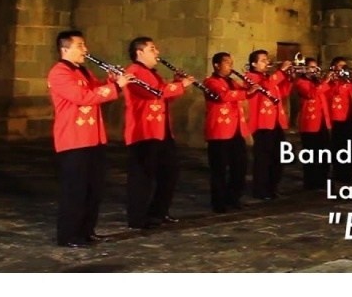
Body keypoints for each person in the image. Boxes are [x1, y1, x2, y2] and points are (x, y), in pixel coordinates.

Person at [46, 30, 130, 248]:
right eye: (80, 45)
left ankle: (87, 231)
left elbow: (96, 89)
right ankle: (68, 235)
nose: (85, 50)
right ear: (65, 49)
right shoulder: (59, 73)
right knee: (75, 189)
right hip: (74, 139)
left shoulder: (83, 70)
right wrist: (116, 86)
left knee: (94, 188)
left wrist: (112, 79)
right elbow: (82, 97)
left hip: (94, 138)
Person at [124, 36, 194, 228]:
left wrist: (176, 82)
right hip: (144, 132)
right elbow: (155, 93)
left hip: (162, 131)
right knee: (143, 176)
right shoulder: (134, 72)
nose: (157, 53)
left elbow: (163, 97)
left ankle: (159, 212)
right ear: (139, 52)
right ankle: (138, 218)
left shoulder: (152, 73)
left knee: (169, 172)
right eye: (152, 49)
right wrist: (181, 85)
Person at [202, 52, 255, 213]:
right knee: (219, 169)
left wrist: (250, 86)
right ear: (217, 65)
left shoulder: (232, 81)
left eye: (231, 62)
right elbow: (222, 96)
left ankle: (234, 198)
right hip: (220, 131)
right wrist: (246, 92)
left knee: (239, 167)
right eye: (226, 63)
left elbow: (245, 92)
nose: (230, 66)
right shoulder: (210, 81)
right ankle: (219, 202)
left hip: (237, 130)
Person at [245, 50, 292, 200]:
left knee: (278, 157)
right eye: (263, 60)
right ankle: (260, 190)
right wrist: (281, 71)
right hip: (262, 123)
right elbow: (266, 86)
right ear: (254, 63)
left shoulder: (268, 77)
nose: (267, 63)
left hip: (276, 122)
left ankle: (273, 187)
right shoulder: (250, 77)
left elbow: (282, 92)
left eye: (267, 59)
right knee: (263, 159)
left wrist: (288, 78)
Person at [292, 56, 332, 189]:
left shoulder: (317, 81)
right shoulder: (300, 82)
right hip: (309, 123)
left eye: (316, 67)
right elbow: (311, 94)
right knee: (311, 153)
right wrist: (325, 81)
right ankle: (311, 181)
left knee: (324, 152)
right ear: (304, 69)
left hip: (322, 121)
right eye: (311, 67)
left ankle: (322, 179)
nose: (315, 70)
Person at [326, 56, 352, 185]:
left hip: (349, 117)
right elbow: (333, 92)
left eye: (345, 65)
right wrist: (341, 79)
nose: (344, 68)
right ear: (334, 68)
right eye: (340, 66)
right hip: (338, 118)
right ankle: (340, 173)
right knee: (340, 147)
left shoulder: (347, 81)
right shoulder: (331, 81)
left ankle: (348, 173)